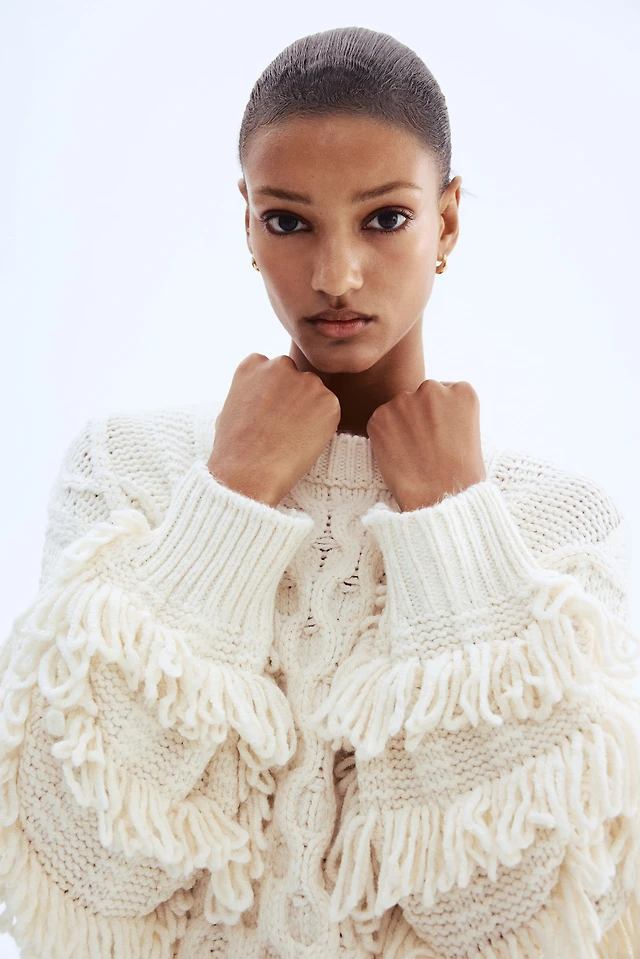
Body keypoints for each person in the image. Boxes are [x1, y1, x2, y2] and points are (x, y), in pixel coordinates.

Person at [1, 24, 639, 959]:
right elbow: (86, 875)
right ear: (247, 223)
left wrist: (457, 535)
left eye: (385, 219)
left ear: (447, 222)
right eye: (289, 222)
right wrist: (231, 497)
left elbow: (514, 925)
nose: (336, 275)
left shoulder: (558, 528)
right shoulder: (128, 471)